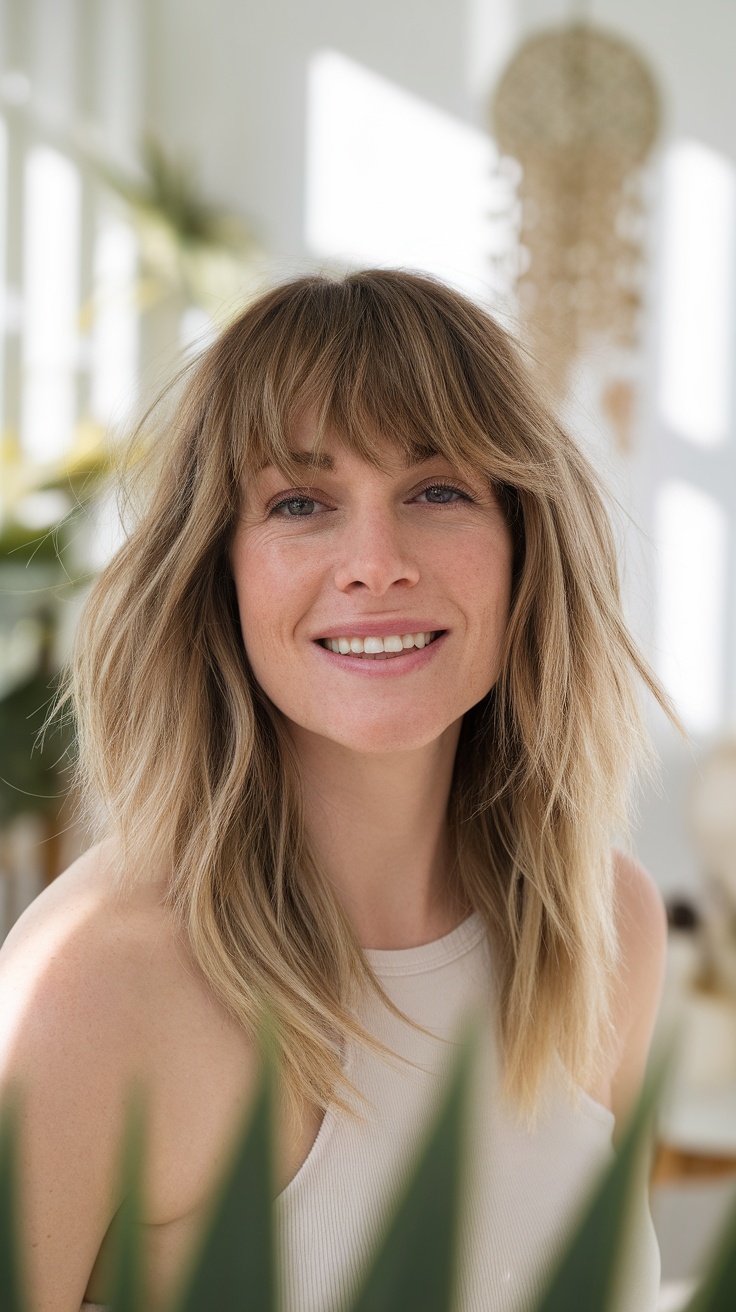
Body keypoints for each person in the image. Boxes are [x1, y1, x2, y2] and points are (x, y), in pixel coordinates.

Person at [0, 270, 673, 1312]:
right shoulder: (92, 984)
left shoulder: (605, 928)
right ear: (218, 569)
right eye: (300, 503)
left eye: (437, 490)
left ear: (524, 544)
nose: (375, 562)